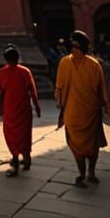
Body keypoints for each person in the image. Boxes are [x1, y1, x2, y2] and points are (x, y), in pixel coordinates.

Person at [55, 30, 110, 187]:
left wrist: (106, 105)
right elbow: (59, 88)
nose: (73, 49)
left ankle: (88, 172)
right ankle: (85, 173)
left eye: (76, 46)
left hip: (85, 114)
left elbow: (102, 90)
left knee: (87, 147)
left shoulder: (90, 65)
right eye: (72, 46)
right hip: (78, 114)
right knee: (83, 146)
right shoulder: (68, 63)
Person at [0, 44, 40, 177]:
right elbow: (33, 90)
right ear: (18, 57)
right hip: (24, 108)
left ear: (5, 59)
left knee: (11, 134)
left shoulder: (0, 73)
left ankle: (15, 159)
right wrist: (37, 106)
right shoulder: (25, 71)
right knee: (25, 134)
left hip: (10, 108)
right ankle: (27, 158)